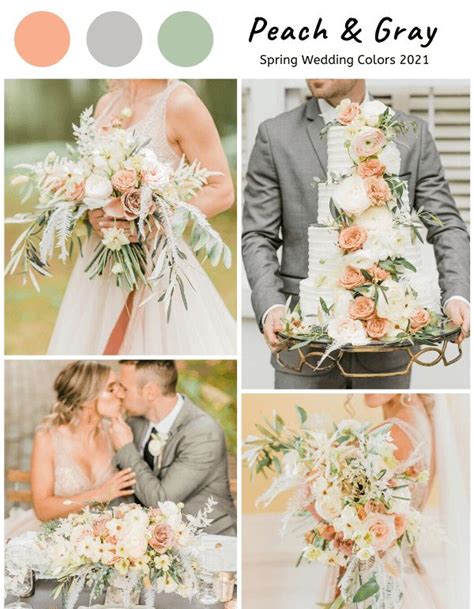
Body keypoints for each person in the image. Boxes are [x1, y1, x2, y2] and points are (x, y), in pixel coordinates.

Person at [242, 78, 470, 389]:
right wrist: (272, 305)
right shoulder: (275, 135)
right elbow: (258, 235)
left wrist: (456, 294)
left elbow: (446, 223)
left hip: (389, 343)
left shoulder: (412, 134)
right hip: (304, 345)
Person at [48, 79, 236, 356]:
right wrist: (93, 214)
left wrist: (153, 221)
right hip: (101, 259)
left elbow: (222, 191)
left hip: (153, 260)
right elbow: (93, 183)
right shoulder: (107, 103)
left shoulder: (180, 103)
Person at [298, 394, 467, 609]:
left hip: (374, 591)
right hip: (406, 583)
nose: (366, 384)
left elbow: (350, 512)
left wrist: (319, 489)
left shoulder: (394, 432)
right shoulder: (421, 425)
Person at [5, 362, 135, 538]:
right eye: (111, 389)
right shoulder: (48, 438)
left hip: (105, 539)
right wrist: (99, 494)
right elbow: (43, 509)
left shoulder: (116, 433)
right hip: (58, 537)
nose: (121, 394)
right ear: (87, 399)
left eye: (119, 387)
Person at [110, 360, 237, 536]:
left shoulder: (203, 432)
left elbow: (162, 501)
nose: (118, 393)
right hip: (154, 545)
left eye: (124, 388)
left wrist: (126, 448)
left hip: (208, 540)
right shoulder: (133, 422)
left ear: (150, 392)